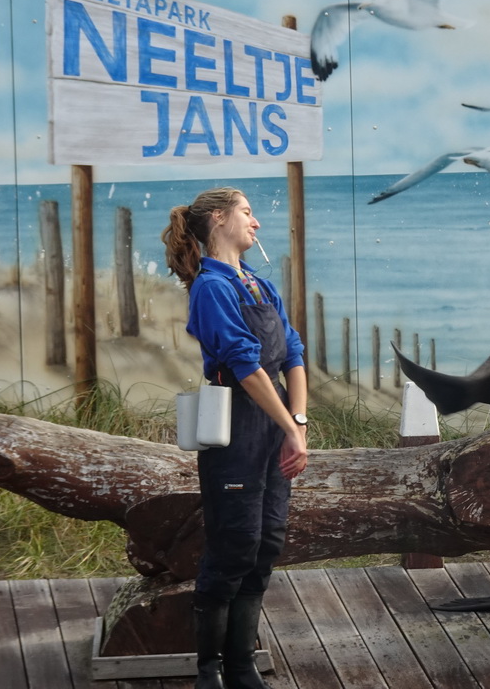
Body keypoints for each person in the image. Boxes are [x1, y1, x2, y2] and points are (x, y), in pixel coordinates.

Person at [162, 187, 308, 689]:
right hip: (236, 426)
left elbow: (293, 350)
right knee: (234, 545)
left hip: (277, 425)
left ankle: (243, 666)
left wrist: (299, 421)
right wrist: (290, 428)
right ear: (220, 219)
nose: (257, 223)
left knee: (267, 542)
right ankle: (209, 671)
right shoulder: (211, 287)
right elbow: (245, 365)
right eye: (248, 213)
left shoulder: (261, 286)